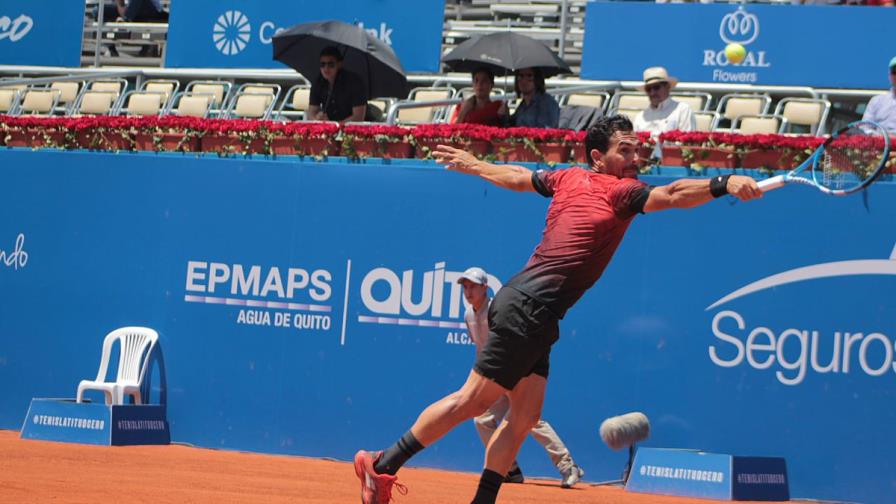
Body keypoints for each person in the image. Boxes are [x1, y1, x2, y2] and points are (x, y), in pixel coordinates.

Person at [353, 115, 762, 504]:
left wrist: (478, 165)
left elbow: (517, 178)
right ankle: (382, 463)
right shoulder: (618, 191)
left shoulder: (568, 177)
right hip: (528, 307)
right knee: (473, 402)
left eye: (637, 151)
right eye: (625, 151)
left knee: (525, 415)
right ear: (598, 157)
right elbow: (671, 194)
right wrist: (725, 182)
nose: (635, 159)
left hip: (538, 312)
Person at [458, 266, 585, 488]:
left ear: (485, 288)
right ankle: (509, 469)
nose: (468, 292)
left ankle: (568, 467)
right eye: (465, 287)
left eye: (473, 287)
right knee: (482, 420)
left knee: (530, 422)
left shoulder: (498, 309)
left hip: (516, 372)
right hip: (494, 375)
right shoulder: (469, 315)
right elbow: (481, 349)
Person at [307, 46, 368, 124]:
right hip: (329, 128)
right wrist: (317, 120)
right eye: (323, 64)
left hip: (356, 128)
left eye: (331, 64)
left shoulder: (354, 82)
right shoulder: (318, 82)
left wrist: (335, 126)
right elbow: (311, 114)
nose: (326, 68)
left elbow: (358, 117)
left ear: (339, 64)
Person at [633, 67, 695, 135]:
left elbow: (688, 142)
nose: (652, 93)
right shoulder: (640, 117)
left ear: (667, 87)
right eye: (648, 89)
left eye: (656, 87)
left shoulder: (683, 110)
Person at [862, 56, 896, 133]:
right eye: (895, 72)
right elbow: (865, 128)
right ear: (889, 75)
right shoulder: (876, 101)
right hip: (880, 144)